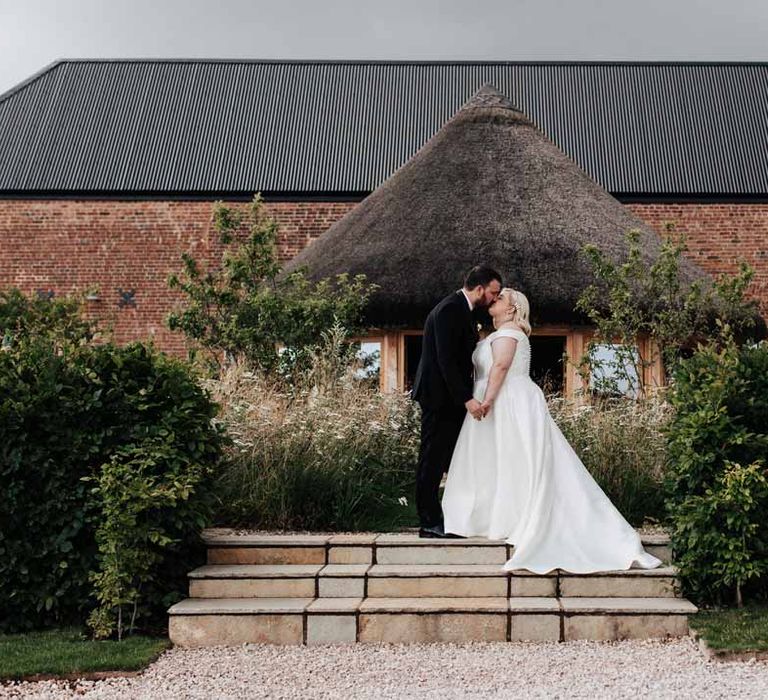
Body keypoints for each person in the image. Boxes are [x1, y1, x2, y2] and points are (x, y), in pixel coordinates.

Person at [442, 287, 661, 573]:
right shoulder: (497, 333)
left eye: (501, 298)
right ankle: (491, 516)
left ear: (512, 309)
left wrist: (486, 402)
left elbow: (500, 367)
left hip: (507, 401)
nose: (494, 300)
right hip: (496, 401)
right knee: (496, 459)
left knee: (516, 457)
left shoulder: (510, 332)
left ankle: (517, 517)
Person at [411, 265, 502, 538]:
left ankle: (452, 516)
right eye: (493, 292)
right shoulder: (451, 309)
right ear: (479, 288)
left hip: (447, 397)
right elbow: (446, 360)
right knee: (432, 458)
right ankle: (428, 521)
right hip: (439, 397)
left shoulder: (462, 310)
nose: (495, 299)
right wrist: (467, 399)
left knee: (450, 458)